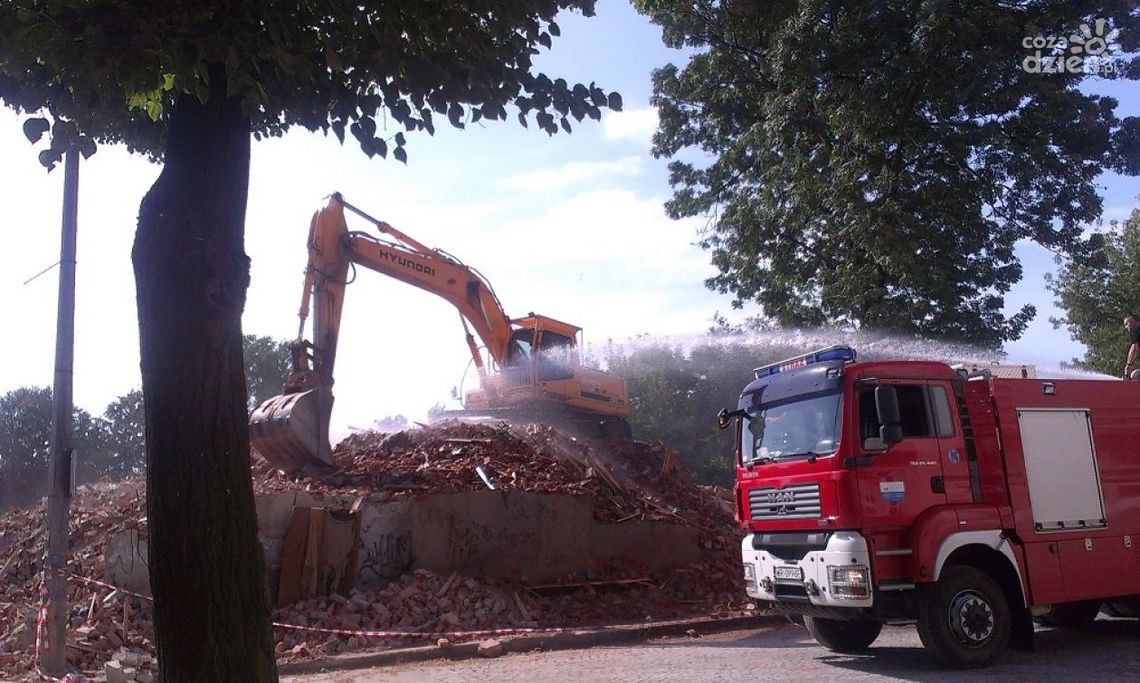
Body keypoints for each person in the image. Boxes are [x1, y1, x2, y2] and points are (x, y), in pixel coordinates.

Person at [1124, 314, 1140, 379]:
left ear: (1132, 321)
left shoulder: (1138, 329)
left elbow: (1134, 348)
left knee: (1135, 375)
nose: (1126, 327)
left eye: (1126, 324)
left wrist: (1128, 365)